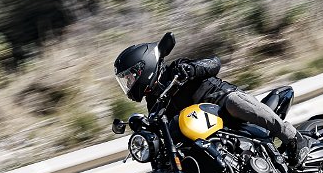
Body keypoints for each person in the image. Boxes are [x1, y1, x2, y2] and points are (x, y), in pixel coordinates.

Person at [113, 42, 310, 165]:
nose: (129, 84)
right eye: (126, 81)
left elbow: (214, 63)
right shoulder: (154, 103)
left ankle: (293, 137)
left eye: (130, 77)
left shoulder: (176, 69)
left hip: (223, 104)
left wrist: (192, 69)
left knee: (233, 102)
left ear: (144, 67)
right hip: (208, 130)